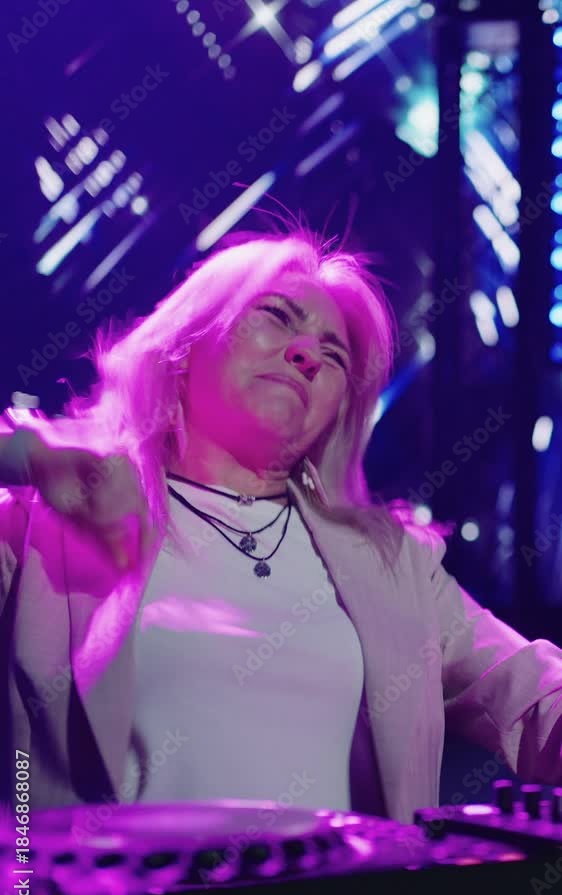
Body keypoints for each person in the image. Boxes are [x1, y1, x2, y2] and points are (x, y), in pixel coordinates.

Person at [0, 226, 561, 824]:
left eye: (334, 355)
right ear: (185, 345)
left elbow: (534, 698)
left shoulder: (394, 565)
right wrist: (23, 453)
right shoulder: (44, 528)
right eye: (276, 316)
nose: (308, 355)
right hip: (121, 886)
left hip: (348, 887)